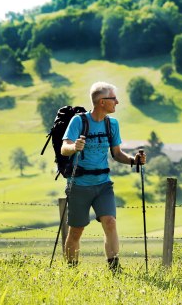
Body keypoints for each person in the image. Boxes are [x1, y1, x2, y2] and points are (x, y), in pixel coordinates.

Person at [60, 82, 146, 272]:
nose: (117, 101)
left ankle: (115, 269)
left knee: (110, 222)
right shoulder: (78, 121)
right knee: (76, 230)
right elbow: (64, 148)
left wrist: (134, 161)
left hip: (103, 184)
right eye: (113, 98)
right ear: (101, 102)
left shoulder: (112, 124)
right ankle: (71, 271)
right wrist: (74, 147)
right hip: (79, 184)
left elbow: (116, 154)